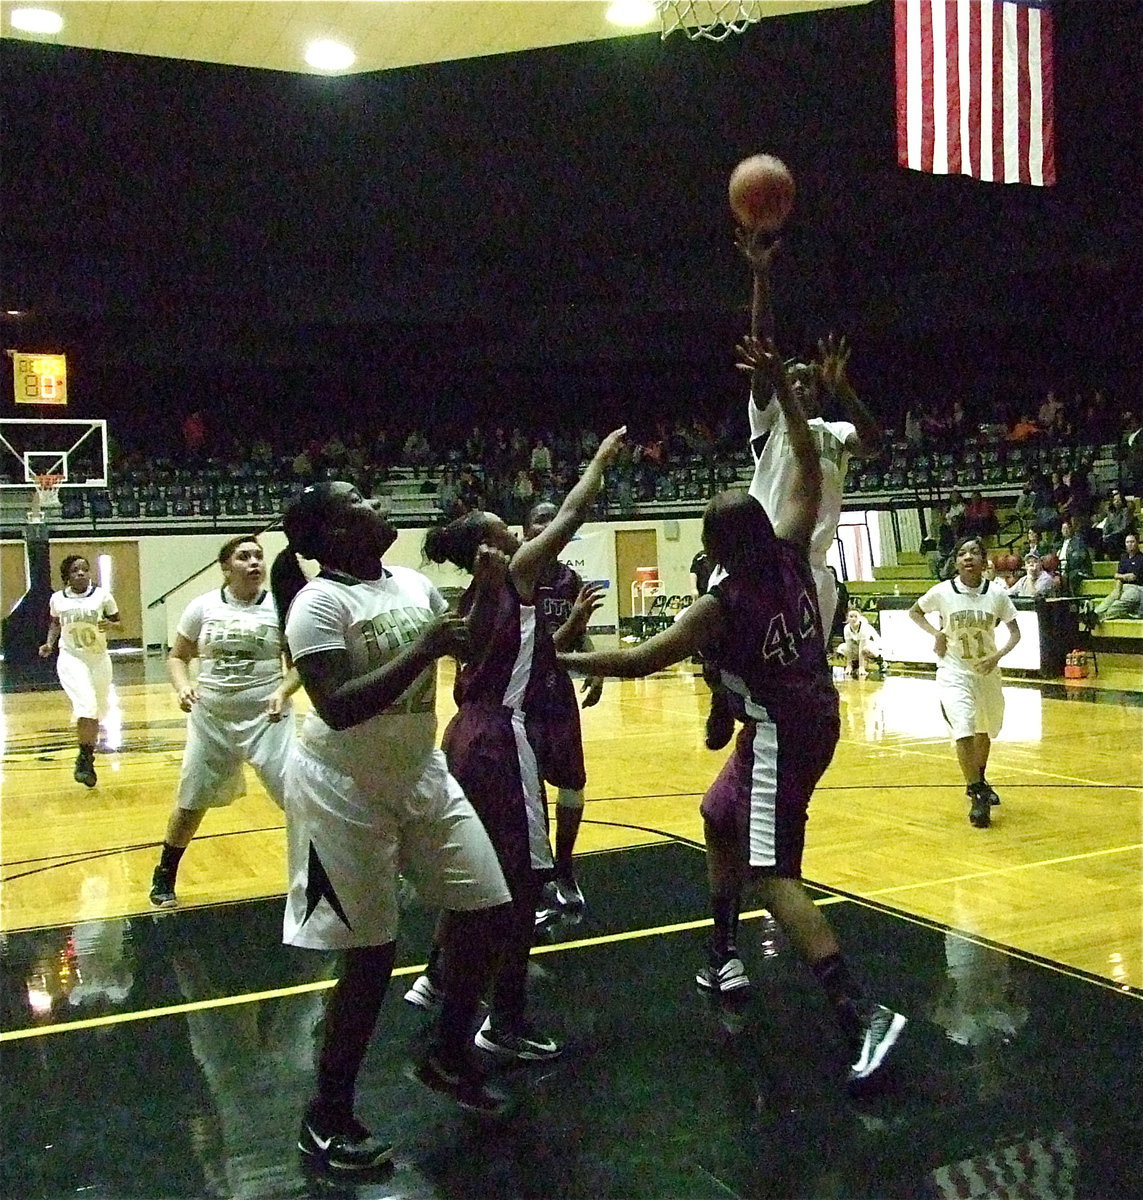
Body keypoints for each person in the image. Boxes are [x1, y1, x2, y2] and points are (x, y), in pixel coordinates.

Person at [560, 341, 905, 1086]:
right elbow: (810, 474)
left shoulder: (719, 605)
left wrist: (560, 659)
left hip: (784, 729)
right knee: (718, 813)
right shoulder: (789, 554)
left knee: (770, 873)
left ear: (714, 549)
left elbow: (639, 659)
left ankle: (861, 1013)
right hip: (806, 710)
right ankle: (719, 955)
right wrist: (788, 387)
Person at [269, 482, 515, 1171]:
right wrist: (425, 647)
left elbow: (470, 651)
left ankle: (445, 1050)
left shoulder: (409, 583)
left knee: (488, 908)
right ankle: (327, 1114)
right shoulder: (317, 605)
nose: (378, 505)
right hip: (339, 789)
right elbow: (339, 706)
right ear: (334, 535)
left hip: (417, 771)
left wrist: (491, 590)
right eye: (360, 503)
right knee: (371, 953)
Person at [413, 428, 626, 1063]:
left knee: (481, 871)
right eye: (507, 528)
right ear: (491, 545)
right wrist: (599, 462)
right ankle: (499, 1022)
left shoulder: (474, 593)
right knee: (525, 881)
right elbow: (571, 515)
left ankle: (440, 978)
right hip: (502, 737)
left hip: (468, 736)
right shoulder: (516, 574)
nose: (518, 533)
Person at [703, 230, 882, 751]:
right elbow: (762, 350)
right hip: (754, 551)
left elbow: (874, 443)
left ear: (820, 390)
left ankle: (774, 735)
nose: (799, 384)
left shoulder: (835, 433)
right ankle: (720, 690)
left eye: (809, 380)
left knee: (796, 669)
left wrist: (846, 387)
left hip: (810, 565)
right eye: (793, 379)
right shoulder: (771, 423)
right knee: (716, 636)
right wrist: (760, 276)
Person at [149, 536, 302, 909]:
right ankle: (165, 872)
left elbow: (301, 665)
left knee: (299, 799)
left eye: (258, 556)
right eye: (243, 556)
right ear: (225, 567)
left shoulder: (283, 607)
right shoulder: (202, 607)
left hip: (269, 719)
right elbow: (177, 657)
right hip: (212, 719)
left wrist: (283, 690)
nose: (254, 562)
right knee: (191, 801)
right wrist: (183, 687)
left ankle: (316, 875)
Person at [520, 500, 606, 925]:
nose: (548, 526)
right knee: (530, 793)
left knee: (573, 785)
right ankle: (537, 881)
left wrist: (596, 669)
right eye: (540, 520)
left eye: (554, 520)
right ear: (525, 531)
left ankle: (565, 868)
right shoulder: (516, 576)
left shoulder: (569, 579)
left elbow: (580, 634)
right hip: (520, 699)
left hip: (558, 694)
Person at [908, 537, 1021, 830]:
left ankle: (980, 779)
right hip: (953, 671)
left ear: (984, 561)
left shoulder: (996, 594)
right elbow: (914, 611)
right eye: (961, 553)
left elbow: (1015, 634)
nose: (967, 557)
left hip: (986, 673)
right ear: (956, 561)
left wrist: (996, 657)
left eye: (973, 552)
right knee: (963, 728)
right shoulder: (943, 592)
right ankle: (976, 794)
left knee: (986, 730)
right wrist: (937, 633)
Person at [38, 555, 122, 788]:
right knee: (86, 706)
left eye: (85, 569)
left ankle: (86, 756)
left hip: (99, 659)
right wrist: (49, 644)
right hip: (72, 658)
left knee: (97, 711)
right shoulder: (58, 599)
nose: (82, 573)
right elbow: (55, 623)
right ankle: (84, 760)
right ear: (67, 576)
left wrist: (111, 626)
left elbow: (119, 623)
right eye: (76, 570)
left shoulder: (102, 596)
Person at [1091, 533, 1143, 623]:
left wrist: (1121, 576)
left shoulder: (1141, 558)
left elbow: (1133, 577)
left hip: (1137, 589)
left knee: (1115, 607)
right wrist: (1118, 590)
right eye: (1127, 542)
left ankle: (1097, 618)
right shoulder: (1124, 558)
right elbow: (1117, 576)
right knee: (1108, 601)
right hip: (1122, 586)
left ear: (1137, 543)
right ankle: (1093, 614)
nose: (1129, 544)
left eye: (1132, 542)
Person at [841, 607, 882, 678]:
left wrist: (861, 667)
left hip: (872, 646)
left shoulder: (864, 628)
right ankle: (855, 663)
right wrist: (848, 666)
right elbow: (849, 646)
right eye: (851, 617)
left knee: (865, 649)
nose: (853, 619)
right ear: (847, 618)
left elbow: (861, 648)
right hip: (858, 645)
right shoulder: (846, 628)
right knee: (842, 648)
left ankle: (879, 661)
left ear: (860, 617)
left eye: (855, 617)